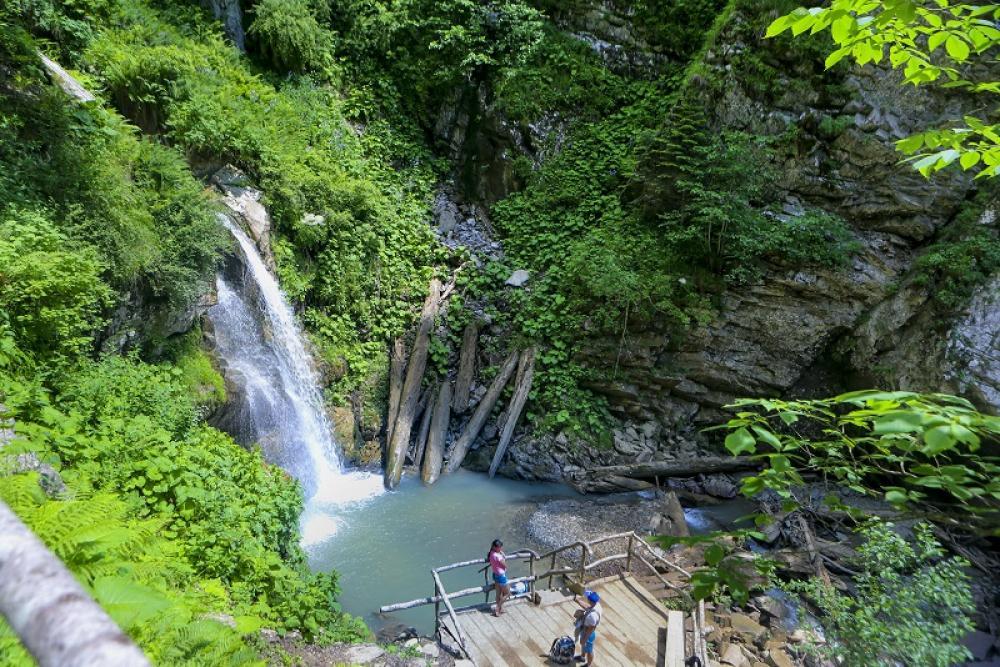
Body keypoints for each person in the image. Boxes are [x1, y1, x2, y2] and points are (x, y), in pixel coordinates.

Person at [573, 589, 601, 665]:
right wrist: (578, 601)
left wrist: (585, 639)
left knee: (589, 650)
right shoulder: (596, 605)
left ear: (590, 601)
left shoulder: (592, 616)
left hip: (588, 633)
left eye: (588, 599)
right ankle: (582, 657)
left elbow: (591, 629)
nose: (587, 599)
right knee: (583, 646)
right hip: (585, 629)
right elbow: (588, 606)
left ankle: (589, 665)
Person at [487, 538, 509, 617]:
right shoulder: (498, 556)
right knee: (507, 593)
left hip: (495, 575)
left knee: (498, 593)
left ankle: (500, 608)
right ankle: (497, 608)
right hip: (501, 576)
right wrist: (502, 556)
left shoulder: (491, 553)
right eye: (499, 547)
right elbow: (505, 565)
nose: (501, 548)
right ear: (496, 547)